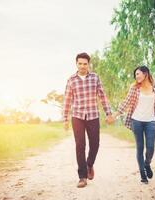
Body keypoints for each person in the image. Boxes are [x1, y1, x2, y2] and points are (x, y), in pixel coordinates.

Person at [63, 52, 113, 188]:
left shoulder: (95, 78)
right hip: (77, 116)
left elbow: (102, 96)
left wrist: (109, 113)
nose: (83, 66)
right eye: (80, 63)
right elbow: (67, 100)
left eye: (85, 64)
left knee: (95, 144)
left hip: (93, 115)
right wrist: (65, 119)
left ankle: (89, 164)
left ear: (88, 64)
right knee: (80, 145)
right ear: (76, 64)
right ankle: (82, 176)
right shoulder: (71, 80)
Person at [112, 65, 155, 184]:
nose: (136, 76)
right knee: (140, 148)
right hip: (136, 121)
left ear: (145, 74)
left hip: (151, 121)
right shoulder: (134, 88)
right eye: (135, 75)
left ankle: (147, 164)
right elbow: (126, 102)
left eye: (138, 74)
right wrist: (114, 115)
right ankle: (143, 175)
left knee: (150, 148)